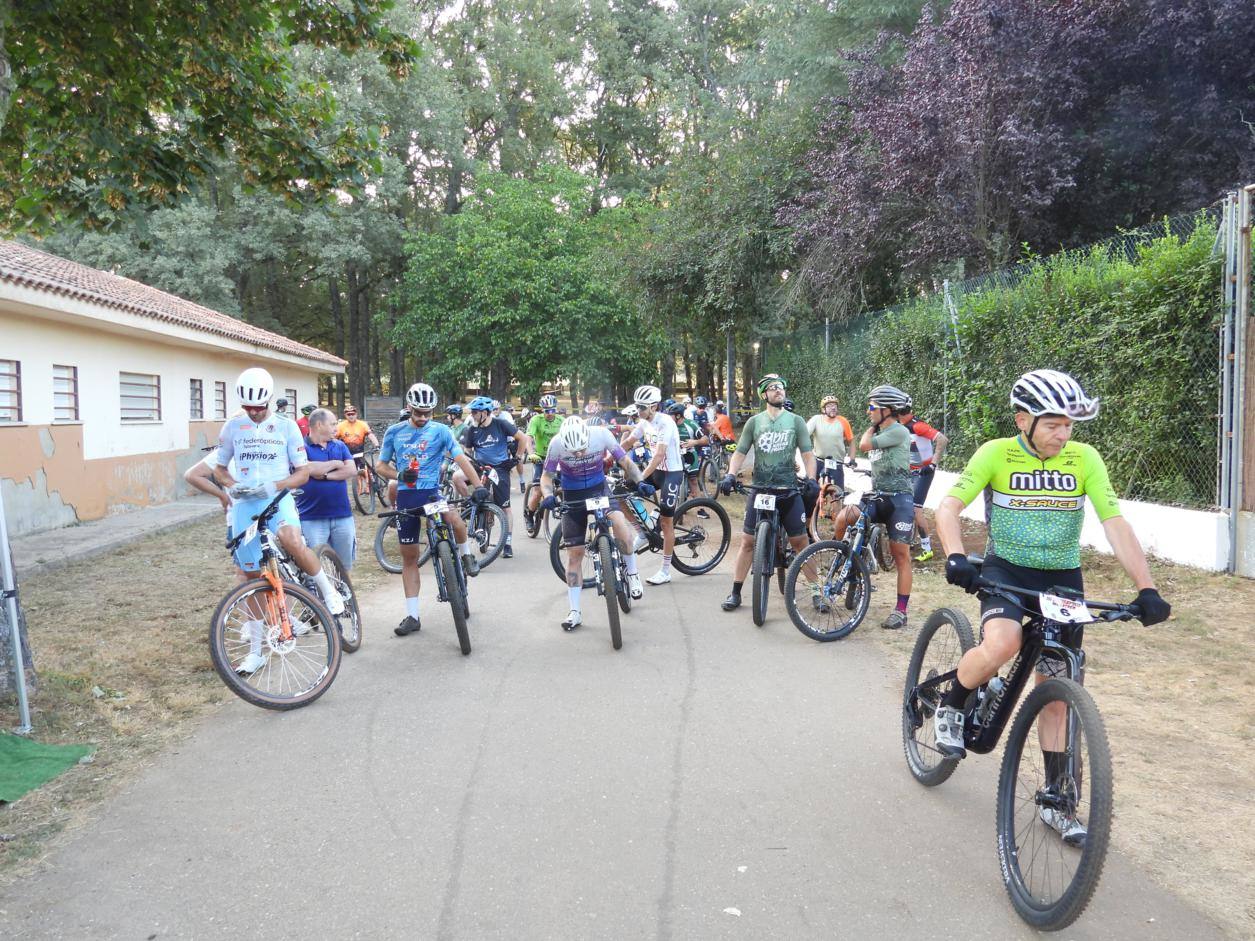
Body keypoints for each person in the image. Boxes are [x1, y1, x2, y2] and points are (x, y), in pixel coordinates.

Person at [933, 370, 1171, 843]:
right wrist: (956, 556)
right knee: (1003, 641)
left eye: (1069, 425)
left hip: (1063, 579)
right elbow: (948, 507)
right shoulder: (995, 454)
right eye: (1053, 425)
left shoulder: (1085, 459)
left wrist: (1146, 588)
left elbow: (1114, 523)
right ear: (1023, 420)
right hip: (1006, 571)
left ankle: (1058, 798)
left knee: (1057, 689)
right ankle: (952, 701)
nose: (1064, 434)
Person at [213, 368, 345, 673]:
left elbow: (302, 472)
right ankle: (257, 651)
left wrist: (275, 486)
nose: (255, 413)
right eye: (249, 408)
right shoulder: (233, 427)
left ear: (269, 401)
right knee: (250, 578)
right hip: (245, 503)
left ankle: (329, 591)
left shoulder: (286, 427)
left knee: (292, 540)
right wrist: (233, 485)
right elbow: (219, 469)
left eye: (260, 407)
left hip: (278, 497)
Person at [376, 382, 490, 637]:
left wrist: (478, 485)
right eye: (418, 412)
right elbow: (381, 466)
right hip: (407, 498)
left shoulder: (441, 431)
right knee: (409, 556)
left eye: (428, 413)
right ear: (409, 407)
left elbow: (461, 459)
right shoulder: (394, 432)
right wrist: (398, 474)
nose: (423, 417)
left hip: (431, 494)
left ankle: (465, 555)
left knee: (454, 519)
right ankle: (413, 615)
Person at [539, 416, 655, 630]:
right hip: (572, 494)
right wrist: (547, 495)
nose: (579, 455)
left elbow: (626, 462)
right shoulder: (556, 443)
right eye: (573, 453)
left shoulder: (601, 435)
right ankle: (574, 611)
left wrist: (641, 481)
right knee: (574, 554)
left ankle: (632, 573)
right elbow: (546, 477)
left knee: (621, 526)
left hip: (598, 489)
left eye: (582, 449)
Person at [718, 374, 817, 612]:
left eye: (781, 387)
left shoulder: (796, 421)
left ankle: (816, 592)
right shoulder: (755, 422)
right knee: (748, 541)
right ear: (764, 394)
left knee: (800, 542)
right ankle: (736, 591)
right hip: (761, 489)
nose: (778, 391)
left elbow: (807, 453)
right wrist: (731, 474)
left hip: (789, 490)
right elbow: (740, 452)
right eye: (773, 388)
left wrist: (812, 478)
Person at [827, 384, 915, 628]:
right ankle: (849, 563)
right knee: (845, 518)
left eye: (872, 407)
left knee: (901, 554)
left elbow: (865, 445)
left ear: (887, 410)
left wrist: (870, 428)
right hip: (877, 495)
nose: (868, 411)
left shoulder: (898, 431)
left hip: (899, 499)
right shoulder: (881, 430)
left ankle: (900, 610)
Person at [623, 384, 685, 585]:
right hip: (657, 472)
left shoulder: (665, 422)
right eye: (637, 406)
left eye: (642, 407)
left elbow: (659, 455)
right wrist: (606, 456)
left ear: (654, 406)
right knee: (619, 493)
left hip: (672, 474)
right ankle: (642, 531)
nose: (638, 410)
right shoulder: (644, 422)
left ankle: (666, 571)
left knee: (666, 522)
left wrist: (639, 477)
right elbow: (628, 442)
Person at [462, 395, 531, 559]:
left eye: (475, 412)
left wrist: (518, 457)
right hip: (480, 468)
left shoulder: (501, 424)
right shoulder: (473, 429)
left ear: (485, 413)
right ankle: (472, 514)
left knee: (505, 506)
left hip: (500, 468)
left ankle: (507, 542)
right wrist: (469, 463)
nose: (472, 415)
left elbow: (523, 438)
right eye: (471, 412)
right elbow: (467, 451)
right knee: (471, 494)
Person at [297, 408, 358, 566]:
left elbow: (351, 470)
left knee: (344, 567)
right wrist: (335, 464)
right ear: (319, 425)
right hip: (311, 518)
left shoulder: (340, 445)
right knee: (315, 568)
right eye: (332, 424)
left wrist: (324, 475)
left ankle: (343, 591)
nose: (336, 428)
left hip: (342, 516)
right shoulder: (301, 447)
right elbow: (307, 468)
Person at [899, 401, 948, 562]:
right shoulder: (899, 427)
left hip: (923, 472)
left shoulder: (917, 426)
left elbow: (942, 439)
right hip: (909, 471)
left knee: (915, 509)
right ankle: (908, 537)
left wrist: (933, 463)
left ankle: (927, 549)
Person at [524, 394, 564, 525]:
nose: (550, 414)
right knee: (538, 491)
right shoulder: (536, 420)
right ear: (542, 410)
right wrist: (531, 454)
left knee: (566, 487)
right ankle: (529, 514)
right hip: (541, 457)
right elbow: (528, 438)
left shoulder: (561, 420)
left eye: (553, 410)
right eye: (547, 411)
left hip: (558, 458)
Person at [807, 395, 856, 490]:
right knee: (810, 491)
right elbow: (804, 434)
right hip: (818, 461)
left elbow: (851, 441)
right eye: (829, 406)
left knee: (837, 494)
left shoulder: (843, 421)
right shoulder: (816, 419)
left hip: (836, 463)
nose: (833, 408)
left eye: (834, 405)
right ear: (823, 409)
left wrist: (852, 459)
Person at [335, 404, 380, 499]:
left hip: (360, 451)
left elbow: (370, 435)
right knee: (353, 473)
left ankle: (368, 486)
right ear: (345, 415)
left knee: (363, 468)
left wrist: (376, 445)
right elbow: (334, 439)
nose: (351, 416)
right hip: (347, 453)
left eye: (352, 413)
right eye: (348, 414)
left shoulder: (362, 424)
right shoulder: (340, 426)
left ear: (356, 414)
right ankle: (359, 490)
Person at [669, 400, 709, 501]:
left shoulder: (691, 424)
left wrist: (694, 442)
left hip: (689, 454)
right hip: (673, 455)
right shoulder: (667, 425)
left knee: (693, 480)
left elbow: (705, 440)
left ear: (678, 416)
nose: (669, 417)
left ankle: (700, 508)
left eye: (671, 415)